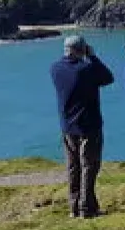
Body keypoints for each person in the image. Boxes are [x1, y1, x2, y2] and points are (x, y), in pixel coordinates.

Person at [49, 35, 114, 219]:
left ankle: (74, 207)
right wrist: (92, 56)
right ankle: (87, 208)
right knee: (89, 166)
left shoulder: (55, 69)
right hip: (89, 126)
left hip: (67, 126)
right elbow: (108, 77)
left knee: (73, 166)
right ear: (82, 49)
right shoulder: (86, 69)